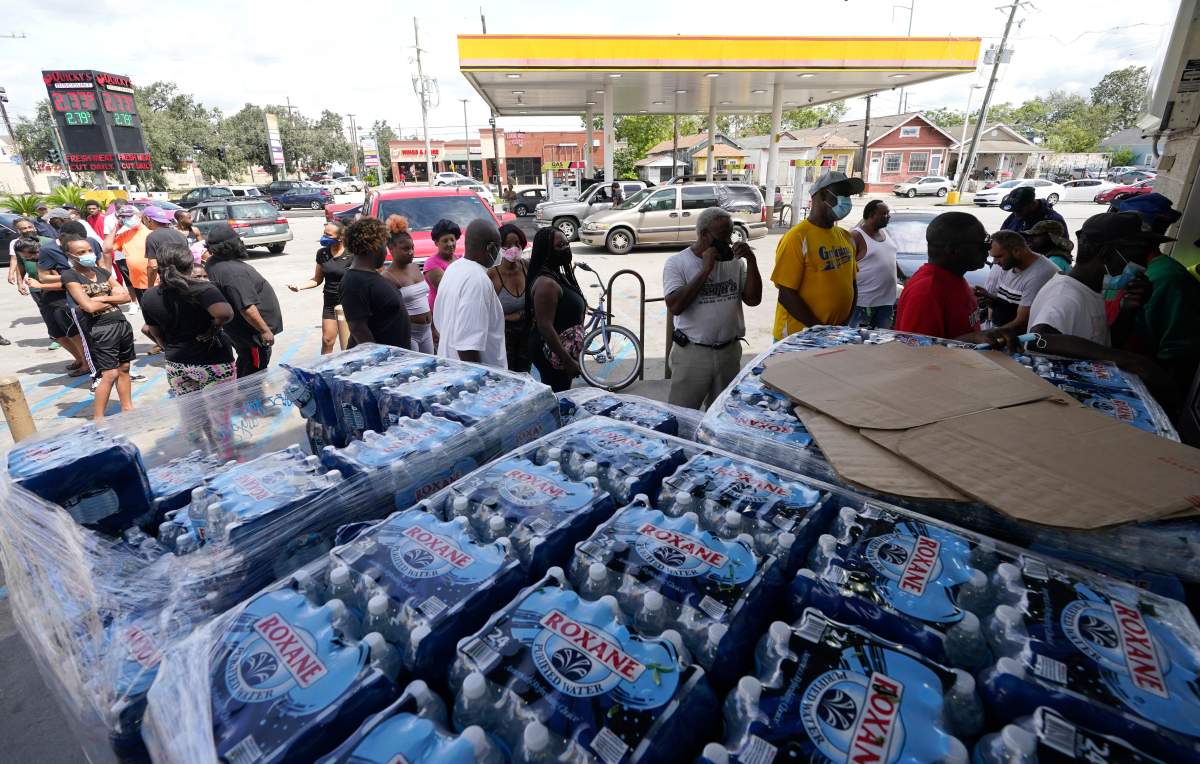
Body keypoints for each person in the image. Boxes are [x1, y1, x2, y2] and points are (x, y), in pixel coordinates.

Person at [664, 206, 763, 409]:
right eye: (722, 235)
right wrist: (705, 270)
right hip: (693, 354)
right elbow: (675, 306)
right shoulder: (677, 263)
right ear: (704, 235)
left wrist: (751, 261)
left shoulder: (735, 262)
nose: (728, 241)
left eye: (730, 234)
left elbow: (753, 299)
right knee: (682, 413)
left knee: (721, 414)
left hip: (729, 351)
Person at [139, 237, 235, 397]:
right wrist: (213, 328)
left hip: (176, 364)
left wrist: (166, 347)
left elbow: (150, 331)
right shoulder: (202, 288)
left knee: (191, 415)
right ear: (190, 264)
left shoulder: (149, 295)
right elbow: (224, 313)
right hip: (212, 361)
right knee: (221, 414)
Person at [771, 171, 861, 339]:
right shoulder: (797, 238)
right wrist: (819, 329)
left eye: (848, 196)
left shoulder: (845, 236)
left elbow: (852, 283)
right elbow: (786, 294)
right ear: (823, 195)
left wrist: (845, 321)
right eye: (842, 194)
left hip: (834, 334)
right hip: (799, 337)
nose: (847, 201)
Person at [59, 234, 135, 420]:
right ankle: (98, 417)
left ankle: (128, 408)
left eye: (89, 250)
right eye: (81, 252)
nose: (87, 254)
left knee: (124, 368)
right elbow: (89, 307)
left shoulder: (102, 272)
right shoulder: (70, 275)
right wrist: (111, 300)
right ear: (70, 255)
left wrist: (101, 298)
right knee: (109, 373)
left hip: (121, 324)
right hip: (101, 329)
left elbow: (125, 297)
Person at [203, 223, 283, 378]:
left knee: (246, 361)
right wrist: (264, 330)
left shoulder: (214, 263)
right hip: (252, 335)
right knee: (255, 369)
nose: (241, 243)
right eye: (238, 240)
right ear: (230, 245)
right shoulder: (233, 273)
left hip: (239, 332)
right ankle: (250, 399)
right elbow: (247, 307)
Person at [893, 211, 989, 339]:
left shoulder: (953, 279)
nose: (988, 250)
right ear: (952, 250)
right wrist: (976, 339)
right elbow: (918, 353)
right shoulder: (926, 293)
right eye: (982, 244)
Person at [433, 219, 506, 368]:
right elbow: (467, 347)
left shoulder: (454, 268)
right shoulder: (477, 280)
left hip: (451, 370)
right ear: (490, 248)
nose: (500, 253)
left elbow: (440, 321)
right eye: (499, 248)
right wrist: (479, 385)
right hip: (476, 382)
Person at [526, 228, 586, 391]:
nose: (566, 248)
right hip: (552, 355)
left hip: (560, 353)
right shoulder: (547, 284)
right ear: (547, 250)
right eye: (560, 245)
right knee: (557, 395)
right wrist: (567, 360)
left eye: (567, 243)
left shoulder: (556, 275)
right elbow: (545, 326)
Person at [340, 217, 411, 349]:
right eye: (384, 245)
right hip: (382, 364)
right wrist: (379, 360)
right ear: (375, 246)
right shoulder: (355, 281)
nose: (385, 252)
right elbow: (358, 329)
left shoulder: (371, 276)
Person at [975, 229, 1059, 333]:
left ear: (1017, 251)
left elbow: (1022, 322)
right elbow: (1010, 303)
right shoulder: (1009, 264)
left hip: (1019, 338)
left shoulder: (1038, 275)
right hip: (1001, 329)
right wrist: (989, 299)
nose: (995, 262)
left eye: (998, 257)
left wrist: (983, 336)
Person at [287, 221, 350, 355]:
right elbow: (317, 279)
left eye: (328, 235)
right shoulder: (322, 253)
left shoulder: (352, 254)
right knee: (327, 340)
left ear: (340, 238)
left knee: (348, 344)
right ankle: (324, 369)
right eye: (323, 234)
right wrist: (299, 286)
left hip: (349, 303)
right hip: (330, 303)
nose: (324, 237)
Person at [381, 216, 434, 353]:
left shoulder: (415, 267)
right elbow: (391, 313)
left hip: (427, 331)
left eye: (412, 248)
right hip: (409, 334)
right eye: (405, 249)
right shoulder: (388, 277)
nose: (411, 252)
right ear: (391, 248)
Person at [848, 200, 898, 329]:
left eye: (888, 213)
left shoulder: (884, 232)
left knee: (880, 345)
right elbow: (846, 268)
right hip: (864, 304)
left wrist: (904, 277)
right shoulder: (856, 236)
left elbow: (890, 258)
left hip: (886, 303)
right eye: (884, 214)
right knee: (858, 344)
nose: (888, 216)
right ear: (871, 215)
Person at [488, 223, 531, 372]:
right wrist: (512, 317)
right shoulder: (492, 275)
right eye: (508, 245)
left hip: (527, 336)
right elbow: (487, 315)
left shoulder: (527, 267)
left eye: (517, 244)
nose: (514, 248)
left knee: (526, 372)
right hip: (503, 340)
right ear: (500, 247)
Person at [107, 205, 150, 301]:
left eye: (129, 216)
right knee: (146, 311)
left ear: (139, 216)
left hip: (154, 282)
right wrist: (116, 228)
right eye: (123, 217)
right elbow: (106, 248)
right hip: (137, 283)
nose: (126, 219)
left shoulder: (150, 233)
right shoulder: (124, 235)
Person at [423, 218, 461, 316]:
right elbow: (446, 288)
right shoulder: (431, 263)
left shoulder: (460, 258)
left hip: (458, 310)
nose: (450, 244)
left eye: (452, 240)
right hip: (441, 312)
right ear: (436, 243)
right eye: (445, 241)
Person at [999, 186, 1066, 235]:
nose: (1016, 214)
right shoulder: (1016, 215)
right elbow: (1001, 235)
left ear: (1032, 204)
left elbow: (1061, 249)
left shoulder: (1054, 220)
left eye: (1019, 210)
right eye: (1014, 211)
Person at [140, 205, 178, 289]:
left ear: (147, 219)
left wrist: (150, 287)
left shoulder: (152, 237)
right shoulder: (179, 234)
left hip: (167, 283)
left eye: (142, 219)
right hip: (184, 281)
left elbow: (153, 266)